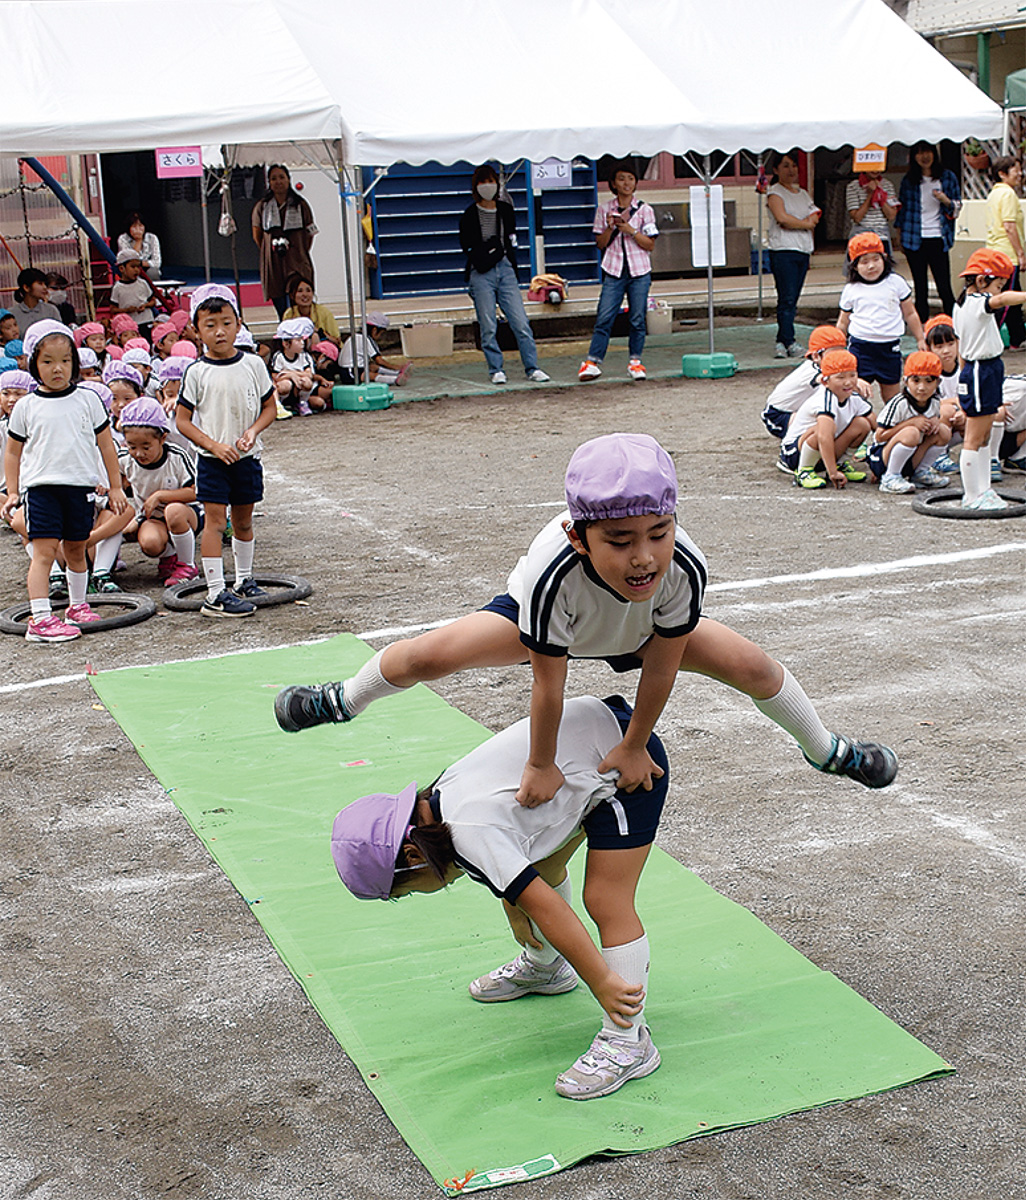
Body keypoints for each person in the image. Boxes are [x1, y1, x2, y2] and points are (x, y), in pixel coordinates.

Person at [275, 433, 898, 799]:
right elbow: (551, 684)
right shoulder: (553, 575)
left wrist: (633, 746)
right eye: (621, 541)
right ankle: (343, 699)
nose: (644, 556)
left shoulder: (680, 567)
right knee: (423, 656)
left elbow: (662, 667)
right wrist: (541, 764)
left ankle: (826, 749)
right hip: (557, 622)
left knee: (755, 668)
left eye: (659, 532)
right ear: (579, 537)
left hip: (642, 630)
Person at [331, 694, 667, 1100]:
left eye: (403, 891)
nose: (413, 895)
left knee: (605, 899)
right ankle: (547, 970)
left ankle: (628, 1039)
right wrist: (513, 904)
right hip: (591, 744)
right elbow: (514, 853)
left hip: (625, 763)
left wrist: (601, 982)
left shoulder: (468, 831)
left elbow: (547, 906)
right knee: (541, 872)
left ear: (414, 857)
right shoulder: (441, 802)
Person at [0, 320, 127, 641]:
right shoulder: (26, 406)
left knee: (76, 549)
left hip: (80, 489)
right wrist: (13, 491)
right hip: (42, 492)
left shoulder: (88, 400)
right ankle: (40, 619)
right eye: (47, 361)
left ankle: (78, 606)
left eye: (65, 360)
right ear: (33, 363)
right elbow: (13, 453)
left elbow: (106, 445)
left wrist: (114, 486)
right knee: (44, 553)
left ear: (74, 362)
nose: (57, 368)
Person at [174, 283, 276, 616]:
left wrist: (252, 431)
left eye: (227, 323)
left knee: (244, 522)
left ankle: (244, 580)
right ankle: (215, 592)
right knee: (215, 523)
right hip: (212, 461)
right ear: (196, 329)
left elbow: (269, 408)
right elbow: (183, 421)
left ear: (238, 323)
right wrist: (213, 446)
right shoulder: (196, 372)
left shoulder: (253, 364)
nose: (220, 332)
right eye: (210, 325)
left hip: (246, 458)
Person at [459, 165, 550, 386]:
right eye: (482, 182)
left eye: (490, 181)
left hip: (505, 268)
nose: (487, 186)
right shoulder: (470, 214)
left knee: (520, 321)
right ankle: (496, 368)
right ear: (476, 186)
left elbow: (512, 239)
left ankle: (532, 366)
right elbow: (466, 244)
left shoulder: (505, 209)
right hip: (481, 272)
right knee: (488, 323)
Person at [952, 248, 1026, 509]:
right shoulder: (976, 302)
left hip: (987, 368)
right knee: (975, 436)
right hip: (979, 370)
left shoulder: (960, 304)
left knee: (984, 436)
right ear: (982, 281)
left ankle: (984, 489)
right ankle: (973, 495)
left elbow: (961, 346)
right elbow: (1002, 300)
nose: (1000, 290)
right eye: (998, 284)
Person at [578, 162, 658, 383]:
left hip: (639, 270)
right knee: (604, 316)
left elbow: (650, 244)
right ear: (613, 183)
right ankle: (593, 362)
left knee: (637, 318)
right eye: (621, 178)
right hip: (613, 269)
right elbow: (600, 243)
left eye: (631, 178)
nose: (626, 183)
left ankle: (635, 361)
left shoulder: (644, 209)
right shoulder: (604, 209)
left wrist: (630, 230)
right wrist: (611, 227)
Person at [118, 397, 199, 586]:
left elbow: (197, 491)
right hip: (152, 518)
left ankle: (187, 565)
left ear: (162, 438)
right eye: (132, 446)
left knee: (174, 511)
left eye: (146, 447)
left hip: (185, 516)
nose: (139, 453)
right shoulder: (124, 460)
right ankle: (169, 556)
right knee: (150, 543)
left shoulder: (176, 457)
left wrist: (161, 496)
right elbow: (110, 481)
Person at [837, 232, 925, 403]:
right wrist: (836, 347)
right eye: (864, 261)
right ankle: (860, 426)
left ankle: (891, 427)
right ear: (854, 266)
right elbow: (843, 321)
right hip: (860, 347)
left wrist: (920, 338)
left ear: (885, 258)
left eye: (876, 259)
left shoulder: (896, 282)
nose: (871, 266)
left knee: (892, 396)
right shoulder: (851, 289)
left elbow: (910, 313)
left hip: (889, 348)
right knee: (856, 396)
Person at [778, 350, 873, 490]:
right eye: (840, 377)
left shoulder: (854, 398)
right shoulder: (823, 400)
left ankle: (840, 463)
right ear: (825, 381)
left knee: (863, 424)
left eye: (852, 375)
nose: (848, 382)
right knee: (823, 429)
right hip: (794, 454)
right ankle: (804, 470)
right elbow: (823, 437)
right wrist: (832, 472)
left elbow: (879, 425)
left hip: (822, 451)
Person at [867, 351, 950, 494]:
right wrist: (910, 423)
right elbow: (879, 436)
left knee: (943, 431)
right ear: (905, 381)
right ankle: (890, 477)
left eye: (929, 381)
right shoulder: (899, 403)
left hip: (911, 456)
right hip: (883, 457)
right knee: (911, 433)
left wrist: (934, 421)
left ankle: (920, 473)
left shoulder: (935, 401)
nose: (922, 387)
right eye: (916, 381)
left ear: (938, 382)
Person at [895, 142, 961, 322]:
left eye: (928, 152)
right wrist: (899, 236)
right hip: (914, 238)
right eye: (919, 153)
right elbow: (903, 210)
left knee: (944, 285)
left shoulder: (947, 177)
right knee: (920, 285)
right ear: (913, 157)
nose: (924, 157)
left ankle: (953, 322)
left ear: (934, 153)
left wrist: (944, 200)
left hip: (939, 237)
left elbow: (956, 207)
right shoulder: (909, 181)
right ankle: (922, 326)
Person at [764, 150, 821, 358]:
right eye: (786, 166)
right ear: (776, 169)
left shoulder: (803, 193)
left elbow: (815, 215)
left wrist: (806, 223)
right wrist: (805, 224)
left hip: (803, 249)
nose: (791, 170)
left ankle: (782, 340)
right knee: (786, 298)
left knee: (793, 298)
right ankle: (788, 340)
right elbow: (783, 218)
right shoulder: (775, 192)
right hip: (783, 250)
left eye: (794, 166)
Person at [761, 324, 854, 441]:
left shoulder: (828, 369)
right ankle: (793, 453)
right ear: (816, 356)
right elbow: (824, 379)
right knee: (825, 426)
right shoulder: (811, 369)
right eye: (832, 354)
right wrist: (856, 382)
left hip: (797, 410)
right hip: (779, 414)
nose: (837, 358)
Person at [251, 165, 318, 319]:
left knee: (300, 303)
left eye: (282, 177)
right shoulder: (262, 206)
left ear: (288, 180)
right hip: (273, 262)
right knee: (281, 307)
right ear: (269, 182)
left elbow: (310, 233)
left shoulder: (301, 204)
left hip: (297, 259)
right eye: (273, 178)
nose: (278, 182)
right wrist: (269, 250)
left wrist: (299, 251)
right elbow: (257, 235)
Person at [984, 156, 1026, 350]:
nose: (1019, 173)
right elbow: (1009, 226)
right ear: (1002, 174)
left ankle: (1017, 338)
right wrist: (1020, 253)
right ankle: (990, 339)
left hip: (994, 252)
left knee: (1013, 297)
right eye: (1015, 170)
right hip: (1006, 255)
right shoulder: (1008, 194)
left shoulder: (994, 194)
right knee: (1005, 300)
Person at [338, 312, 411, 386]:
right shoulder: (366, 339)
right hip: (351, 372)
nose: (380, 337)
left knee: (372, 366)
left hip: (344, 371)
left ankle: (396, 373)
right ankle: (394, 379)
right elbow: (379, 360)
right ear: (374, 330)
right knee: (372, 375)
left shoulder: (356, 336)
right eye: (381, 334)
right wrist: (395, 367)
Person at [270, 317, 322, 415]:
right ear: (286, 344)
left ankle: (302, 403)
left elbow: (309, 374)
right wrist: (290, 377)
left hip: (299, 387)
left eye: (302, 340)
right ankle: (280, 404)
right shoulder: (279, 357)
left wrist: (292, 374)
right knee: (285, 385)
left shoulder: (304, 356)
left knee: (307, 382)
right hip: (286, 387)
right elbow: (275, 376)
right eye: (298, 340)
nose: (302, 343)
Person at [845, 167, 899, 253]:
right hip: (861, 234)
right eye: (871, 167)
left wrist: (879, 194)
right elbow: (857, 218)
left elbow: (891, 215)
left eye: (878, 167)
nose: (875, 170)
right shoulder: (853, 186)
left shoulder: (887, 185)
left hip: (882, 234)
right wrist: (870, 195)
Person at [109, 249, 157, 338]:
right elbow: (113, 309)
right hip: (129, 326)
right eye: (133, 267)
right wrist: (126, 310)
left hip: (146, 321)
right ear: (122, 268)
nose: (136, 270)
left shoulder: (143, 283)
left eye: (138, 267)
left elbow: (153, 301)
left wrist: (145, 306)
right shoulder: (118, 288)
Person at [282, 274, 339, 345]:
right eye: (300, 291)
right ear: (292, 295)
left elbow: (337, 341)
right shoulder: (289, 314)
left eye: (308, 290)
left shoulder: (324, 312)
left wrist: (320, 332)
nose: (304, 294)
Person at [10, 268, 62, 336]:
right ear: (26, 287)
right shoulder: (12, 314)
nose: (45, 287)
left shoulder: (51, 311)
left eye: (45, 284)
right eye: (40, 283)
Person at [117, 212, 162, 279]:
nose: (138, 230)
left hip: (148, 269)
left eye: (140, 226)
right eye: (134, 227)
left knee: (153, 272)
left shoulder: (152, 238)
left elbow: (157, 263)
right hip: (130, 270)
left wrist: (140, 263)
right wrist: (138, 241)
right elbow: (129, 260)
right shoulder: (123, 239)